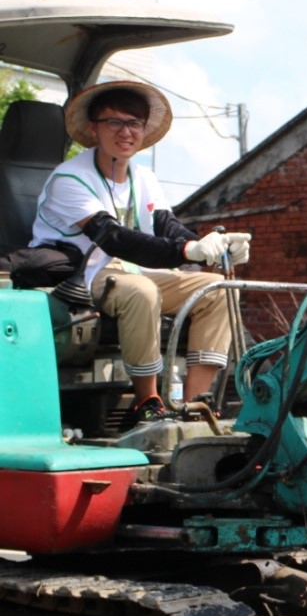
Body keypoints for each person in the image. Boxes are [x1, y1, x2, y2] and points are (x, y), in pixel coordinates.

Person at [30, 81, 251, 423]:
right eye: (114, 122)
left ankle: (196, 404)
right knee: (141, 292)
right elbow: (114, 238)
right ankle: (147, 401)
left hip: (128, 270)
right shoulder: (69, 179)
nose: (125, 132)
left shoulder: (142, 176)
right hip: (81, 273)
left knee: (216, 291)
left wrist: (214, 248)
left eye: (134, 123)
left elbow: (166, 225)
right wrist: (189, 250)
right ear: (94, 128)